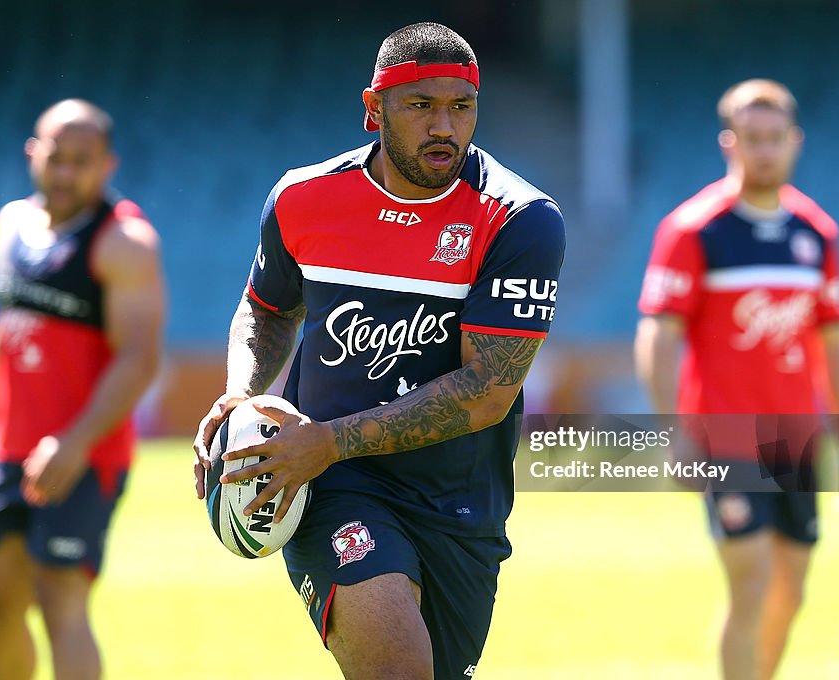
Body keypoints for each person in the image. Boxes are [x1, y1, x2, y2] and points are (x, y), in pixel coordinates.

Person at [193, 22, 564, 680]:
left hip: (459, 501)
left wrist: (329, 440)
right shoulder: (302, 199)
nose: (444, 127)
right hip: (332, 483)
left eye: (461, 106)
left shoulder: (519, 220)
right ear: (374, 108)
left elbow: (488, 391)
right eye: (421, 107)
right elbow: (266, 308)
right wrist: (244, 394)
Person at [634, 79, 839, 680]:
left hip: (797, 442)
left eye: (775, 139)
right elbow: (659, 336)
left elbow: (835, 343)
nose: (764, 151)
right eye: (751, 140)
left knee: (790, 593)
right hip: (729, 441)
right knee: (753, 582)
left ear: (795, 142)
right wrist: (674, 431)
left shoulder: (817, 234)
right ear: (729, 143)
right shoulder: (694, 230)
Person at [0, 99, 166, 680]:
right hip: (6, 452)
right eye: (55, 158)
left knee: (61, 602)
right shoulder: (10, 223)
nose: (64, 173)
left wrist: (75, 443)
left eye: (81, 161)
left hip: (85, 453)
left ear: (107, 165)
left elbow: (139, 358)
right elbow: (5, 327)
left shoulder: (125, 242)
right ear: (34, 153)